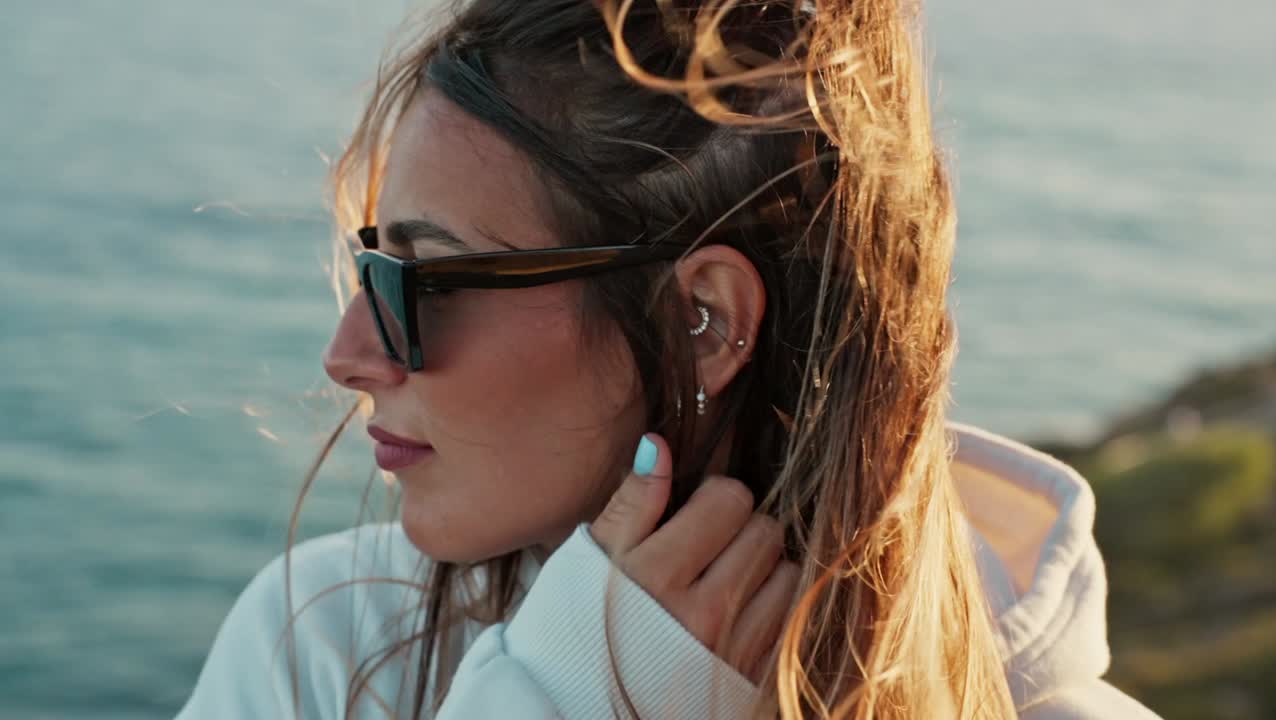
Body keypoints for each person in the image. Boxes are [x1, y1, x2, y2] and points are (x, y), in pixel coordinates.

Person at [177, 0, 1161, 717]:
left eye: (423, 279)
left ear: (703, 320)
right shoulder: (326, 646)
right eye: (370, 265)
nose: (347, 354)